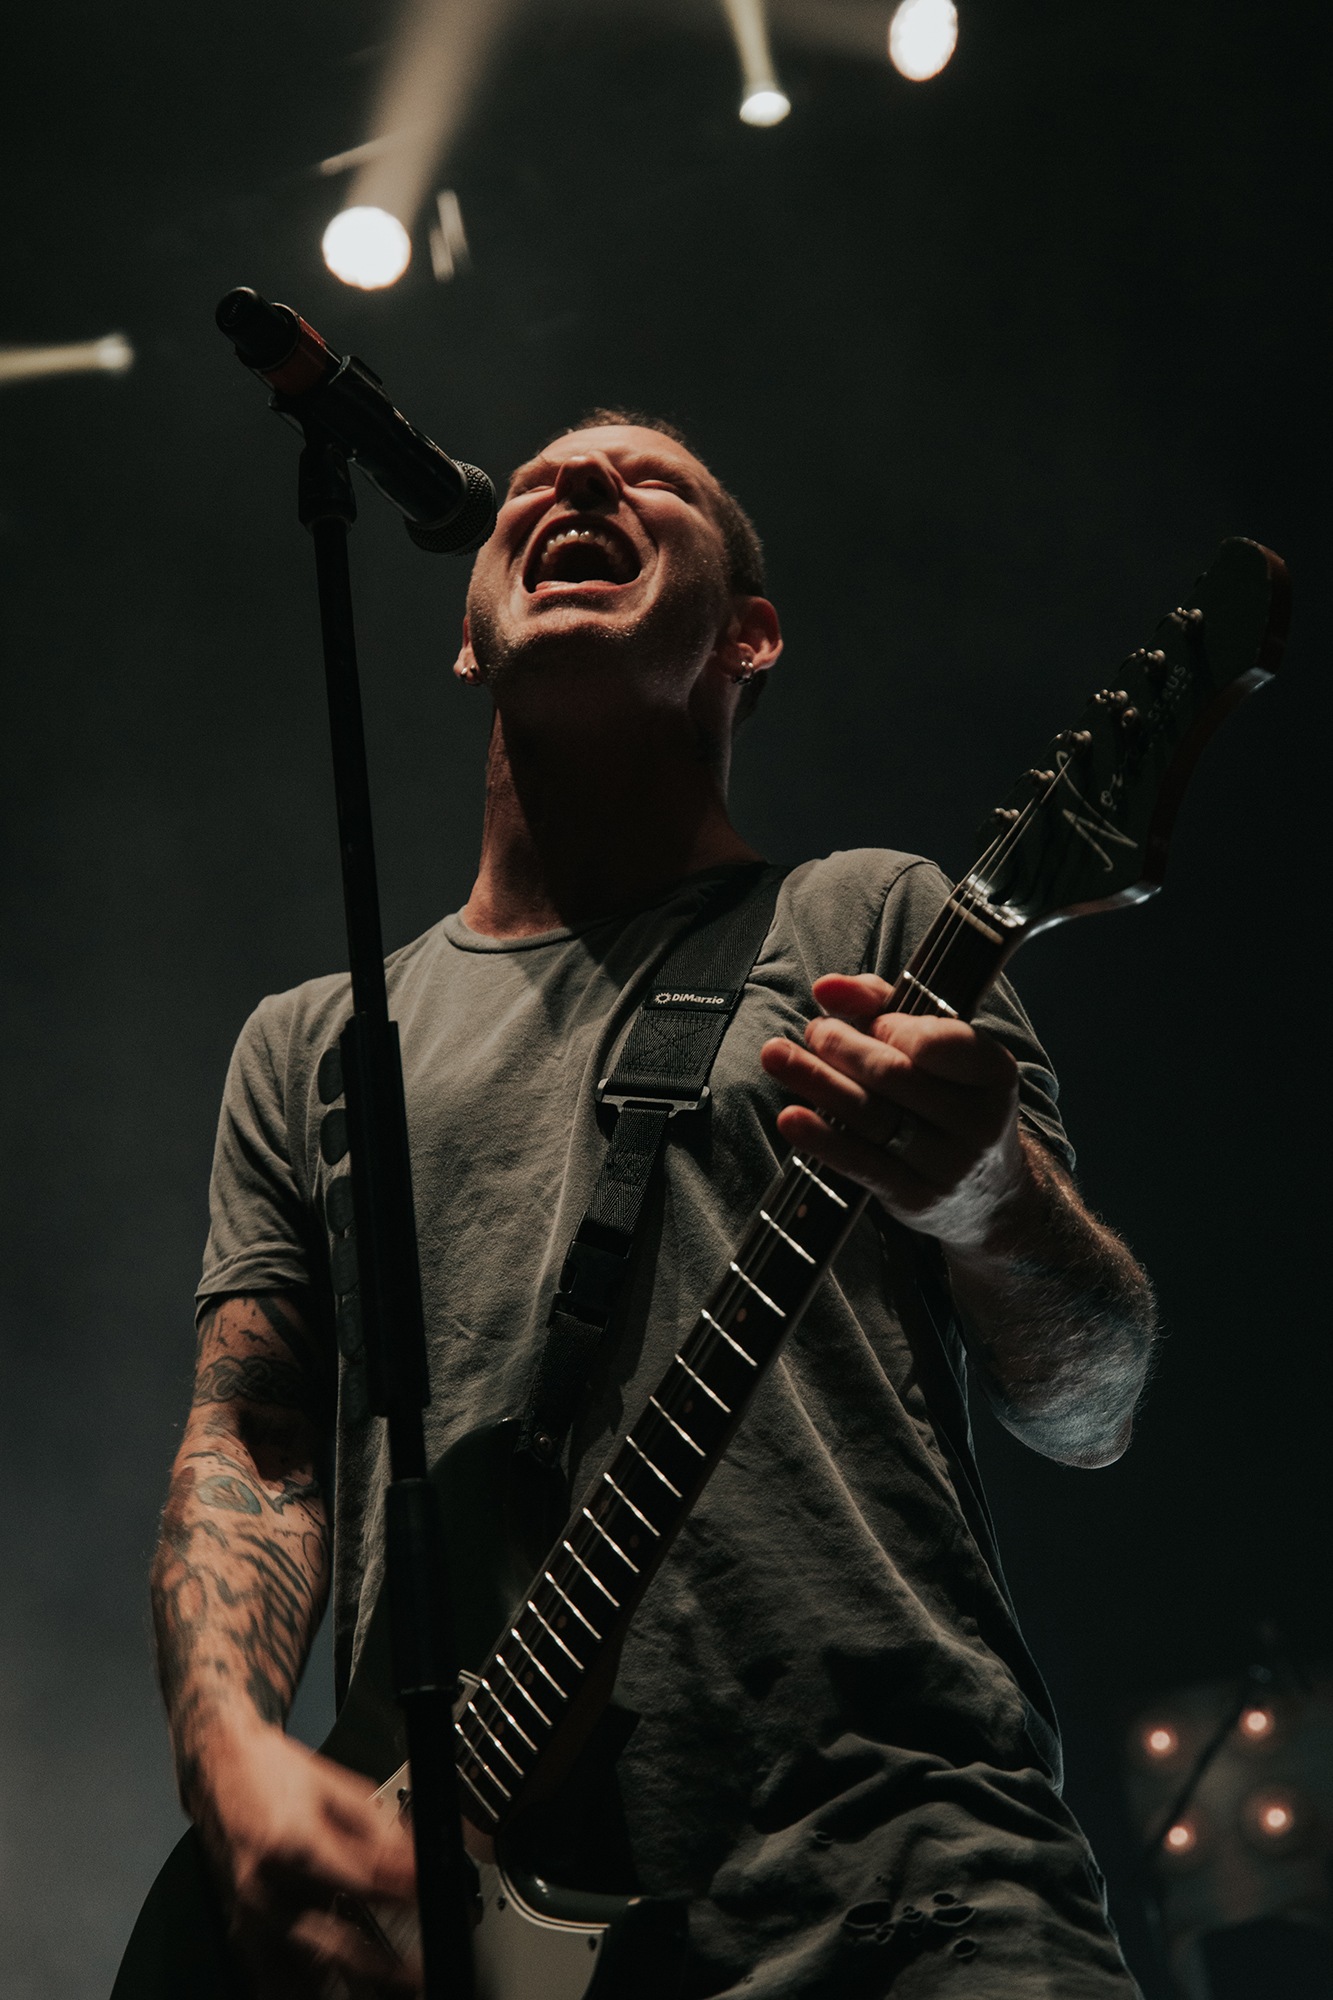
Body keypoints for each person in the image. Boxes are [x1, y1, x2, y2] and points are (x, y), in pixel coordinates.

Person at [147, 412, 1156, 1997]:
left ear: (748, 636)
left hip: (909, 1879)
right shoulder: (313, 1042)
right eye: (537, 480)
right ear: (468, 645)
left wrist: (987, 1196)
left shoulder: (873, 924)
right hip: (464, 1931)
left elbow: (1090, 1401)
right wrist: (231, 1763)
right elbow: (255, 1450)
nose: (575, 482)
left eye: (651, 481)